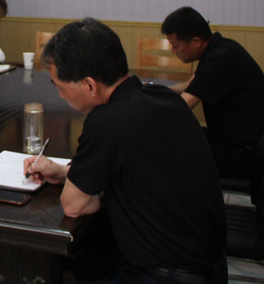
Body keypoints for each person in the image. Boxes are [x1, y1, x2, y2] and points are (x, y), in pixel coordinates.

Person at [24, 18, 227, 284]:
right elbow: (137, 169)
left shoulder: (106, 121)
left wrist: (96, 196)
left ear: (89, 85)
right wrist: (63, 172)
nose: (61, 96)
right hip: (211, 267)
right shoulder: (163, 97)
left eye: (61, 88)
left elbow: (73, 205)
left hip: (165, 276)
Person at [161, 6, 264, 180]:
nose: (173, 51)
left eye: (175, 46)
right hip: (245, 143)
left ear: (196, 41)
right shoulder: (221, 48)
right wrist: (155, 90)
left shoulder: (219, 60)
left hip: (245, 156)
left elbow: (182, 107)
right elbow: (190, 86)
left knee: (166, 152)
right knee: (177, 141)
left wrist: (144, 113)